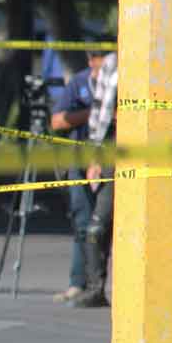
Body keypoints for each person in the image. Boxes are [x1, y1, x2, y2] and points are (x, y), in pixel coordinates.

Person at [48, 49, 108, 303]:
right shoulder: (80, 82)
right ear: (90, 60)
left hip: (110, 163)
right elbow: (57, 121)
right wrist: (93, 112)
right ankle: (78, 282)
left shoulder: (121, 81)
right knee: (82, 222)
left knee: (102, 225)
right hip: (80, 161)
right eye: (98, 58)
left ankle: (100, 285)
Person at [69, 51, 118, 308]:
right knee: (98, 225)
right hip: (111, 150)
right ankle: (95, 287)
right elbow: (100, 113)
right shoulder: (112, 63)